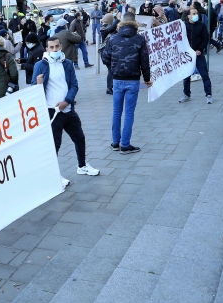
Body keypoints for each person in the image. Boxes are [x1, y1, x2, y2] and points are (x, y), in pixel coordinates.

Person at [32, 37, 100, 191]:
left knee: (80, 138)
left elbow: (74, 85)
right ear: (47, 49)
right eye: (52, 47)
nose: (55, 50)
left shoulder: (67, 63)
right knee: (55, 145)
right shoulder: (40, 65)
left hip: (68, 110)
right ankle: (54, 176)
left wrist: (67, 102)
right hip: (52, 112)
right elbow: (33, 89)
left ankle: (82, 166)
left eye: (57, 47)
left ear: (61, 46)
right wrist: (38, 84)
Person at [101, 12, 152, 155]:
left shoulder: (113, 38)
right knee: (129, 113)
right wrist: (147, 79)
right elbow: (145, 62)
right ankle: (125, 145)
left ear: (121, 22)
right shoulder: (140, 39)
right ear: (135, 22)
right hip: (133, 80)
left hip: (117, 80)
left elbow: (105, 57)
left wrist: (113, 68)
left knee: (116, 112)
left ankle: (115, 142)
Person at [178, 8, 213, 104]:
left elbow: (206, 38)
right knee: (186, 76)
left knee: (204, 75)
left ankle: (209, 94)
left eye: (196, 13)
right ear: (188, 16)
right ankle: (186, 94)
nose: (195, 15)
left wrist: (200, 49)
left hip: (198, 54)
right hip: (188, 55)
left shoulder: (201, 25)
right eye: (193, 14)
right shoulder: (184, 26)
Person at [99, 13, 119, 95]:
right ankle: (109, 88)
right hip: (106, 53)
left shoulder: (106, 26)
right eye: (112, 19)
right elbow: (111, 29)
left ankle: (111, 86)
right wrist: (117, 20)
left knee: (112, 70)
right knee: (110, 70)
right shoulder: (104, 27)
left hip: (108, 52)